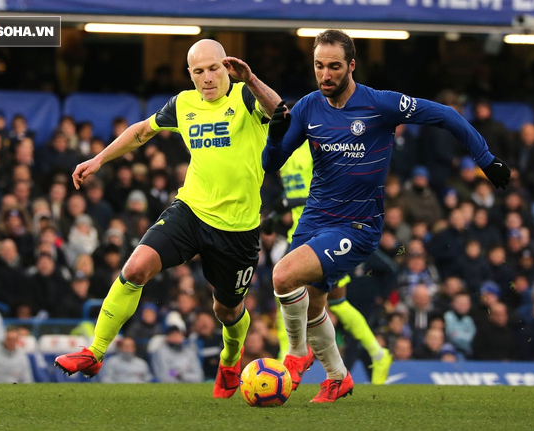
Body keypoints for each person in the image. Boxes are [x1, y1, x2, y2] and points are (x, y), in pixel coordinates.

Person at [262, 29, 511, 403]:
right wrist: (274, 135)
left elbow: (444, 114)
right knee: (314, 301)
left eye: (333, 66)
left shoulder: (379, 104)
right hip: (313, 219)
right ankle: (338, 377)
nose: (325, 74)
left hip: (357, 226)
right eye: (318, 66)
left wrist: (486, 159)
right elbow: (272, 163)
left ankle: (297, 354)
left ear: (351, 66)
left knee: (282, 276)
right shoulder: (308, 107)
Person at [55, 39, 280, 399]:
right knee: (135, 269)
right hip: (190, 211)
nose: (207, 78)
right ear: (190, 75)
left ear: (227, 67)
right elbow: (142, 131)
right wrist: (99, 159)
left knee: (227, 310)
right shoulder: (183, 104)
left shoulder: (246, 97)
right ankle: (94, 353)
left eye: (213, 68)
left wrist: (251, 79)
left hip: (238, 229)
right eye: (198, 71)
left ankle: (231, 357)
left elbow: (280, 112)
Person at [264, 139, 392, 384]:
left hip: (324, 234)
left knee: (305, 297)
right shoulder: (283, 153)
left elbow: (327, 188)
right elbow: (295, 191)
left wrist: (287, 204)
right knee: (331, 302)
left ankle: (288, 359)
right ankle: (378, 354)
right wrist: (277, 213)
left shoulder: (312, 146)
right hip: (301, 233)